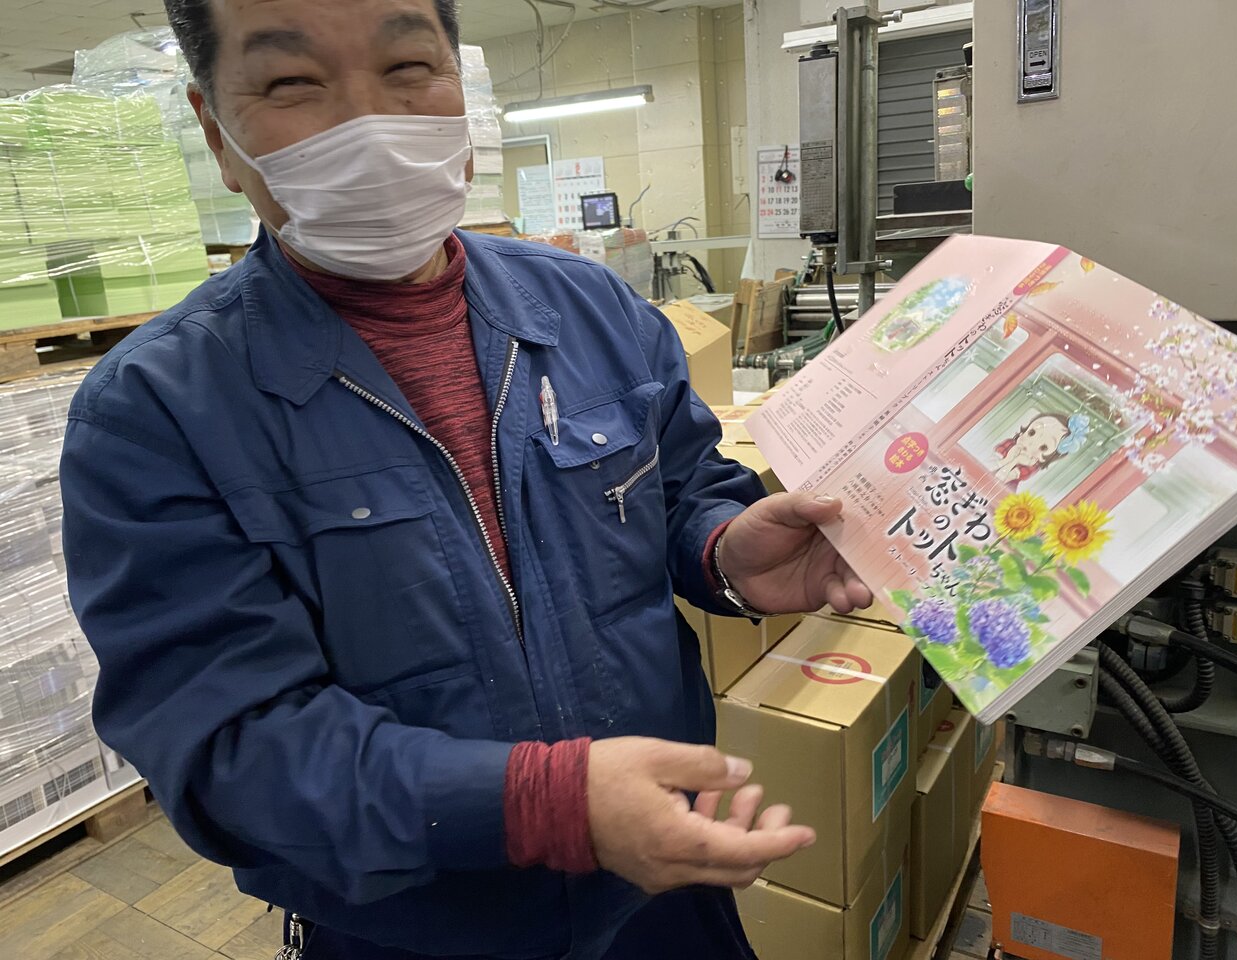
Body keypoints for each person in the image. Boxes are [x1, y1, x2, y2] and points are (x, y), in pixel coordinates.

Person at [59, 2, 872, 958]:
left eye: (409, 68)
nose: (369, 123)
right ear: (216, 133)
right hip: (415, 931)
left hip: (664, 898)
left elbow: (681, 483)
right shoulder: (158, 410)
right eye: (291, 83)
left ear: (461, 88)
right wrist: (545, 805)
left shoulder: (592, 307)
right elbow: (228, 744)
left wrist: (724, 553)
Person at [992, 412, 1088, 488]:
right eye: (1031, 433)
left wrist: (1014, 461)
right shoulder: (1009, 444)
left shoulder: (1031, 467)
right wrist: (1007, 459)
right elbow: (988, 463)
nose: (1030, 443)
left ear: (1045, 458)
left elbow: (999, 479)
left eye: (1043, 447)